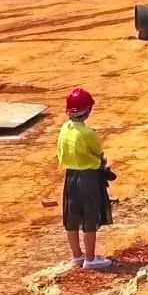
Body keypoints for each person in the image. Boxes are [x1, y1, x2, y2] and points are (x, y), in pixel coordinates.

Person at [56, 88, 112, 270]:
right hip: (89, 179)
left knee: (71, 217)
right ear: (87, 111)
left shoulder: (65, 128)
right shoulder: (88, 133)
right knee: (90, 217)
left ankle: (77, 256)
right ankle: (90, 258)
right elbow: (98, 152)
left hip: (70, 177)